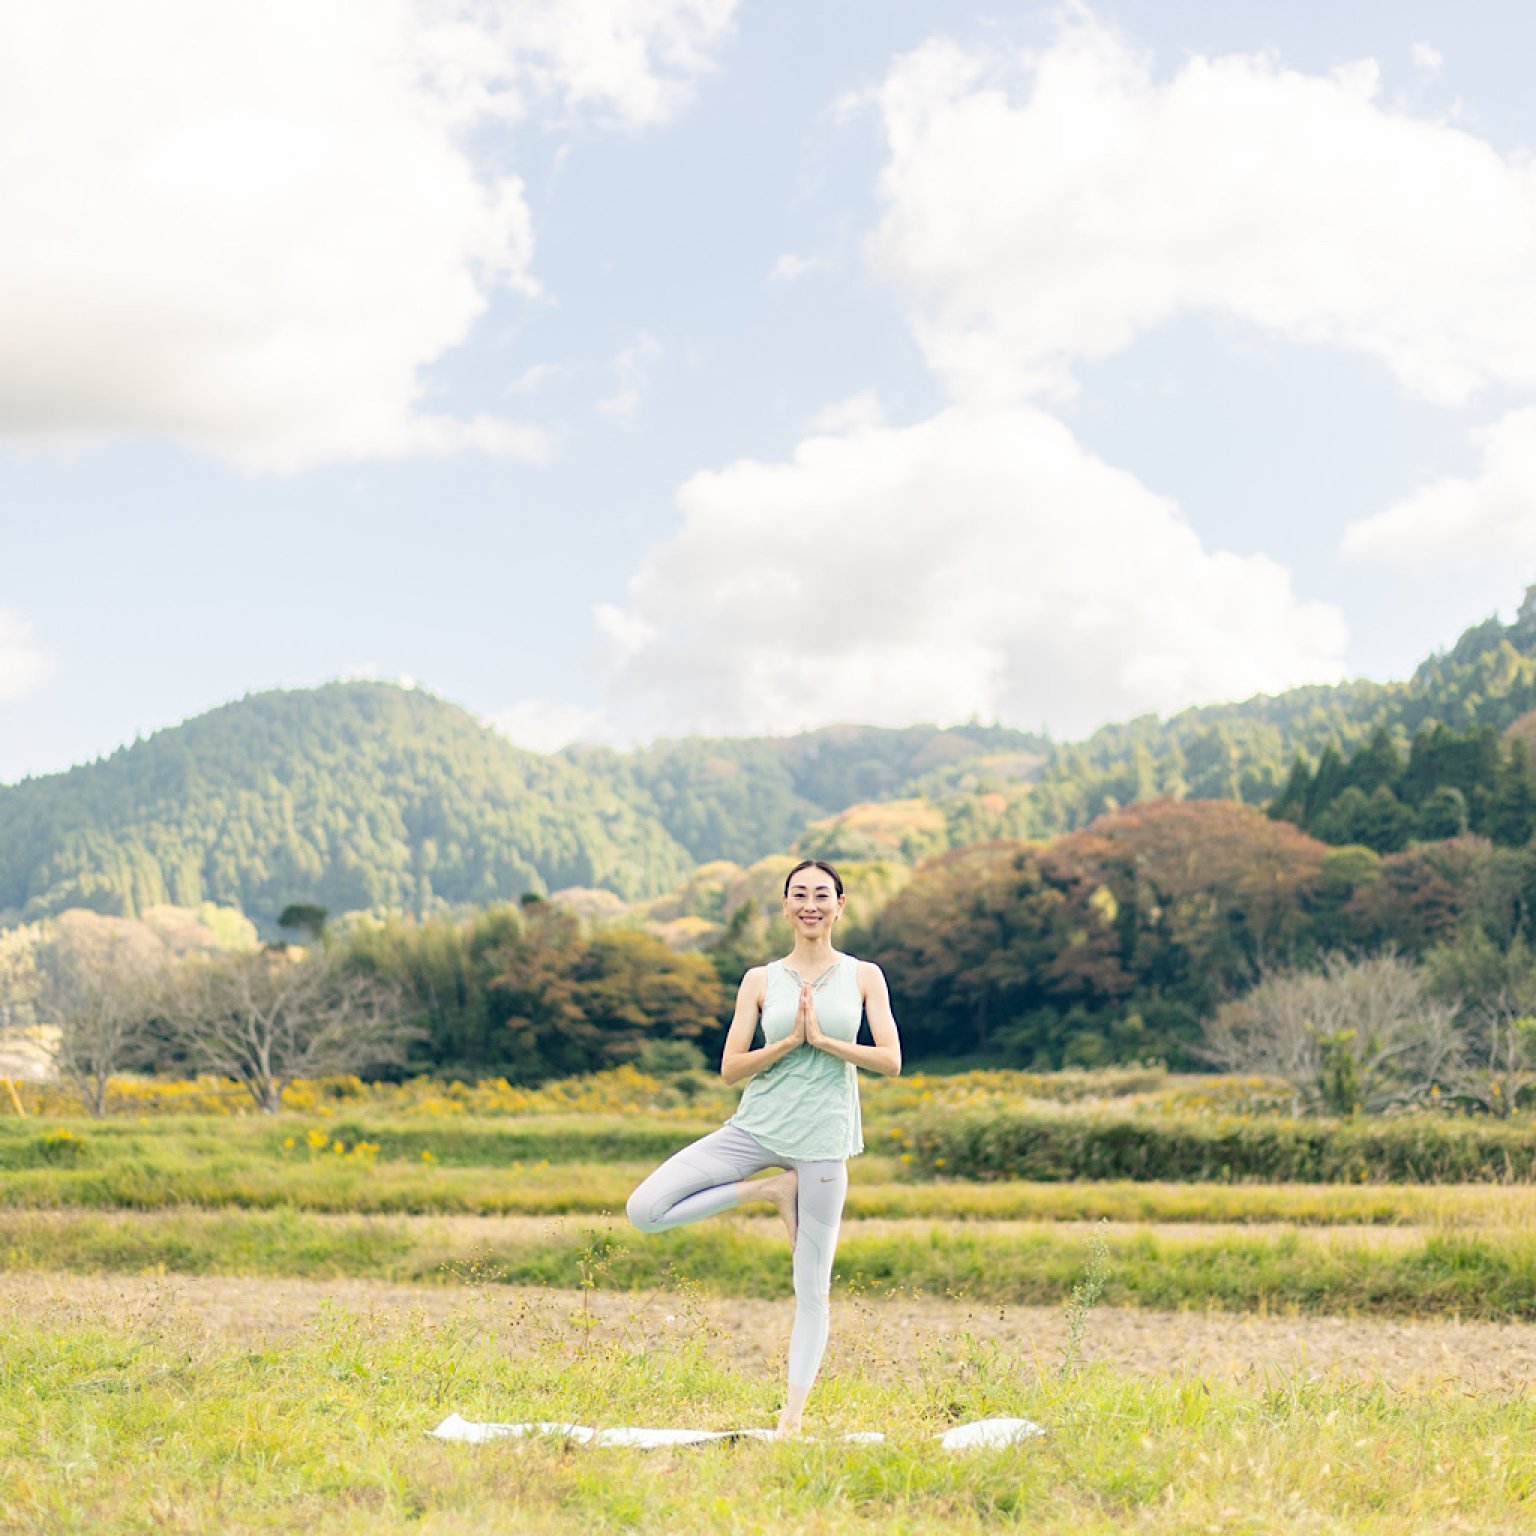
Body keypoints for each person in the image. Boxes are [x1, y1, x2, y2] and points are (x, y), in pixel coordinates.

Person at [625, 858, 902, 1439]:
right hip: (754, 1128)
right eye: (799, 894)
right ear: (785, 906)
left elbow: (890, 1061)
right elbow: (730, 1068)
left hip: (824, 1142)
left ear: (840, 904)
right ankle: (769, 1190)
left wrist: (823, 1042)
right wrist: (787, 1043)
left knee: (812, 1290)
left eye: (821, 894)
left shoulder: (864, 975)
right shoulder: (759, 979)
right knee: (644, 1211)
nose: (810, 904)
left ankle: (791, 1419)